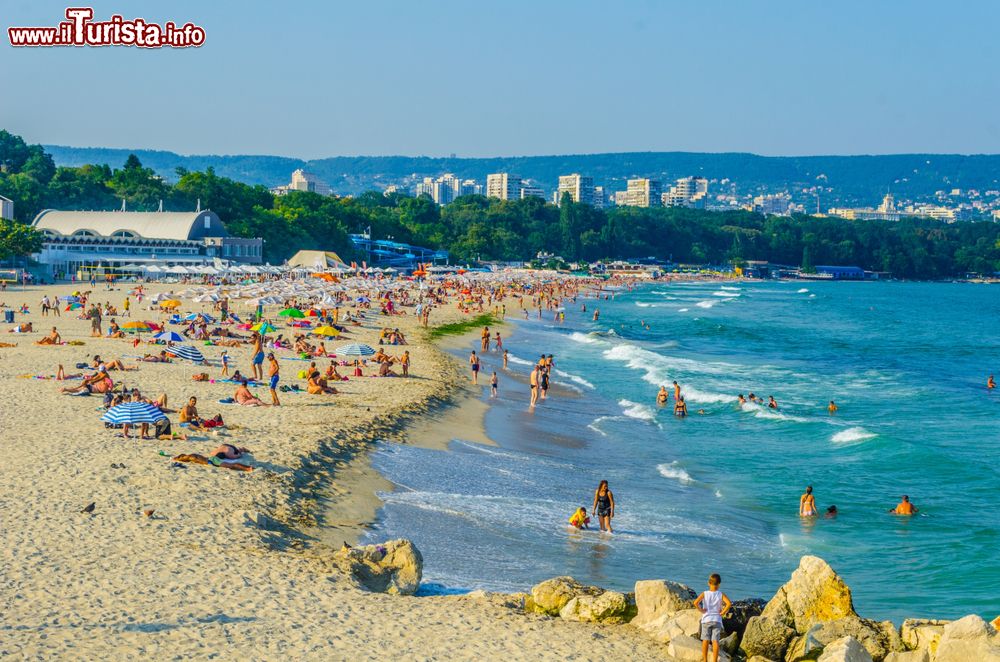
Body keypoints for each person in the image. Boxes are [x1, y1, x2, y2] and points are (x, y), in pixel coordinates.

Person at [695, 574, 732, 662]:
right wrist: (722, 612)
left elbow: (695, 603)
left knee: (705, 640)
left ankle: (705, 659)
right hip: (717, 620)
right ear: (719, 584)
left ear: (709, 583)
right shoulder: (720, 594)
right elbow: (729, 603)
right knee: (715, 641)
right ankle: (714, 660)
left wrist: (701, 610)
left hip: (706, 620)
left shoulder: (705, 593)